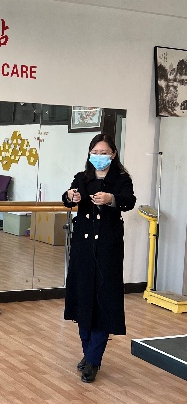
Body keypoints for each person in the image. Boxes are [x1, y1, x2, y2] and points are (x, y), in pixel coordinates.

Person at [62, 133, 135, 383]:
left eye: (104, 153)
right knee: (83, 299)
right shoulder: (82, 178)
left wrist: (111, 199)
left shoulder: (121, 179)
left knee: (103, 300)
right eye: (95, 152)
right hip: (83, 247)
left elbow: (129, 201)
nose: (99, 157)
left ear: (113, 154)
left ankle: (93, 360)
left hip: (107, 248)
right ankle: (89, 352)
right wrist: (70, 197)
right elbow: (67, 199)